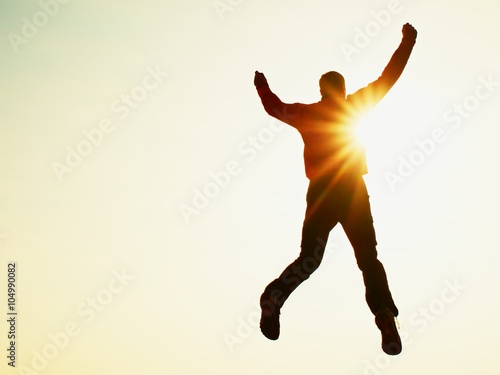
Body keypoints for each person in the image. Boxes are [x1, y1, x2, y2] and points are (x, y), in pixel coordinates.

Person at [253, 23, 417, 355]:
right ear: (341, 90)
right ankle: (384, 315)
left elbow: (274, 107)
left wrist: (262, 86)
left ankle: (276, 296)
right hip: (352, 192)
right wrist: (408, 42)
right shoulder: (354, 106)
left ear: (321, 91)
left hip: (322, 193)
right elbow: (389, 78)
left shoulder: (307, 113)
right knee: (368, 258)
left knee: (309, 259)